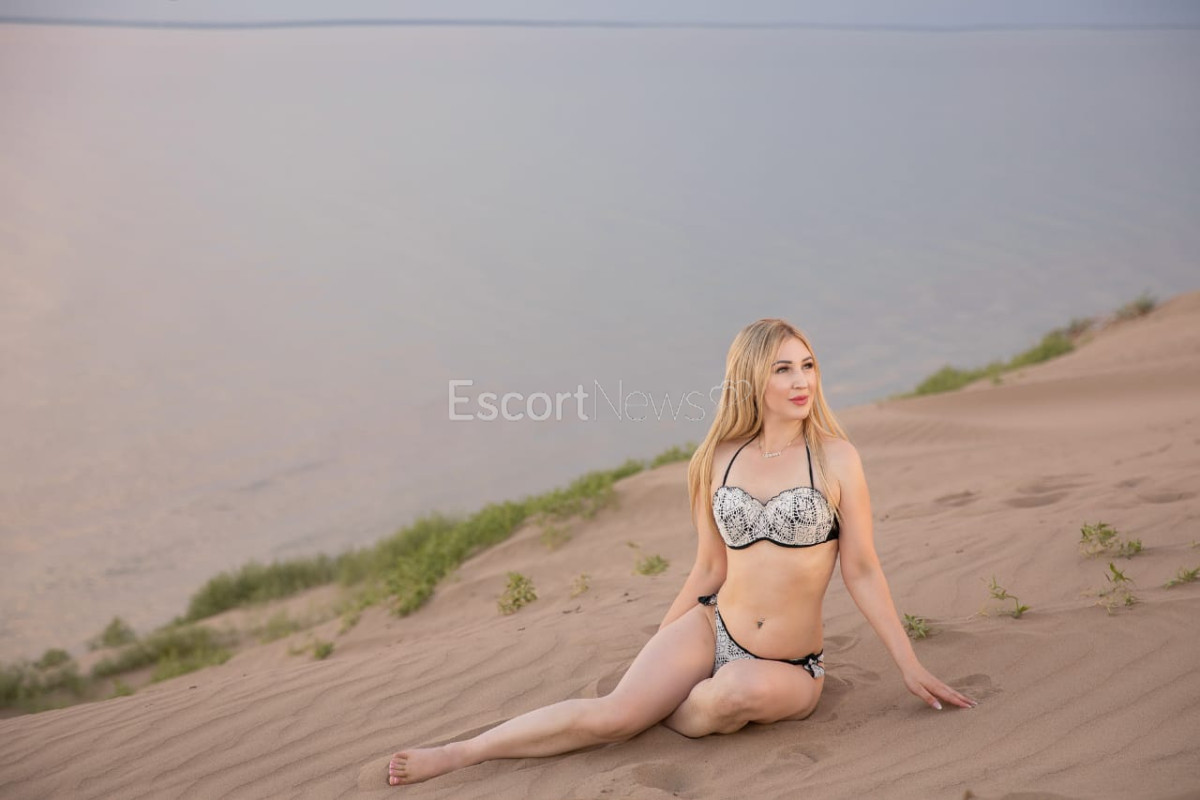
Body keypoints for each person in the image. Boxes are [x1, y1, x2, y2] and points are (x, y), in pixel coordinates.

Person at [385, 318, 978, 787]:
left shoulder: (837, 459)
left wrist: (908, 664)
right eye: (783, 369)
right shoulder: (716, 459)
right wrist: (658, 648)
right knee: (615, 715)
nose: (802, 381)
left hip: (788, 667)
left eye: (808, 366)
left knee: (733, 692)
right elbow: (709, 568)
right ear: (752, 379)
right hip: (712, 626)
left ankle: (665, 709)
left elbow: (862, 569)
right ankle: (461, 752)